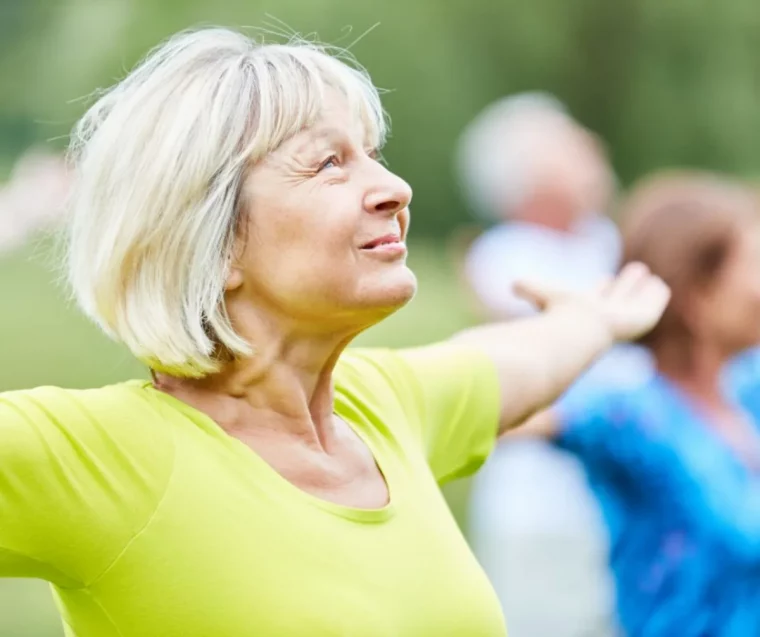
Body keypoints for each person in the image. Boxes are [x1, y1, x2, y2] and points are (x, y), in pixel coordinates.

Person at [0, 27, 669, 637]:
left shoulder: (381, 408)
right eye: (327, 164)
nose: (395, 188)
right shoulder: (102, 458)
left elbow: (511, 358)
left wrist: (594, 319)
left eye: (373, 155)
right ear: (214, 239)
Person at [511, 171, 760, 636]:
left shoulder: (749, 389)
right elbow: (489, 412)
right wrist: (567, 332)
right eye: (755, 264)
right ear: (698, 296)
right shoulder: (630, 416)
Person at [458, 94, 642, 637]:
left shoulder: (606, 242)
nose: (593, 151)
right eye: (571, 147)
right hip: (544, 510)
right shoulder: (506, 256)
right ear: (531, 178)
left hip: (618, 495)